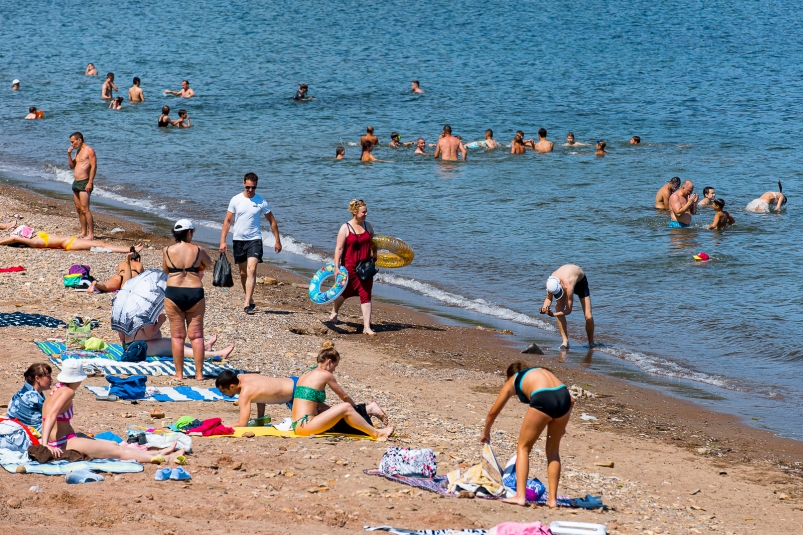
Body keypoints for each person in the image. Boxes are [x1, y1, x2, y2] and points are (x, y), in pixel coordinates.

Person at [40, 360, 185, 463]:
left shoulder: (57, 389)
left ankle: (157, 452)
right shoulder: (68, 392)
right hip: (62, 442)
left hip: (65, 438)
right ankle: (165, 458)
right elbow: (51, 415)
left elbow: (47, 415)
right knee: (118, 452)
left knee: (114, 446)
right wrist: (45, 444)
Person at [481, 362, 573, 508]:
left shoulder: (513, 380)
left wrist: (486, 431)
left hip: (544, 398)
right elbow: (572, 400)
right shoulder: (541, 371)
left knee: (523, 448)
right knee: (553, 452)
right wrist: (562, 426)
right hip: (564, 397)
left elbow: (493, 411)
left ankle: (520, 496)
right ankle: (553, 500)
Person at [290, 342, 393, 439]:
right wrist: (356, 410)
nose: (334, 370)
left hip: (298, 424)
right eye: (335, 366)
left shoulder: (307, 372)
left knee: (333, 409)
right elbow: (344, 397)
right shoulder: (325, 374)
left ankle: (368, 409)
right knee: (346, 407)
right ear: (330, 362)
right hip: (306, 425)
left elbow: (310, 402)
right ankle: (376, 432)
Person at [219, 173, 282, 315]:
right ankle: (250, 297)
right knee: (243, 273)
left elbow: (272, 221)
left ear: (256, 186)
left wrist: (277, 240)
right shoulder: (236, 200)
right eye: (248, 187)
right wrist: (222, 241)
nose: (250, 190)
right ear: (243, 184)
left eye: (253, 187)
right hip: (238, 240)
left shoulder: (261, 202)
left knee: (252, 269)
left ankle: (247, 303)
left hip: (255, 240)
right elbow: (227, 221)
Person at [163, 219, 212, 381]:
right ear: (189, 232)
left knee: (177, 336)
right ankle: (199, 374)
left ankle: (179, 374)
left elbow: (166, 270)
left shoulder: (167, 250)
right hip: (194, 292)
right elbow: (208, 264)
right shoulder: (198, 250)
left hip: (174, 292)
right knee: (197, 336)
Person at [328, 199, 377, 335]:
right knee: (345, 293)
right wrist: (337, 267)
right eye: (363, 212)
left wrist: (375, 254)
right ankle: (334, 312)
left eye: (366, 211)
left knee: (366, 294)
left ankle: (366, 327)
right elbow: (338, 249)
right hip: (349, 267)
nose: (366, 214)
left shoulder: (368, 226)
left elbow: (374, 243)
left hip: (365, 268)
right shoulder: (345, 228)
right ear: (355, 212)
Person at [120, 313, 234, 361]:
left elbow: (122, 336)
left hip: (130, 346)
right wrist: (160, 321)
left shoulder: (125, 312)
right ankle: (216, 354)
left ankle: (204, 346)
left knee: (170, 341)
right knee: (177, 347)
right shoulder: (142, 313)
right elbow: (150, 333)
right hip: (140, 348)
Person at [539, 264, 595, 350]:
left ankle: (591, 343)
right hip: (564, 281)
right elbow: (548, 299)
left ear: (560, 284)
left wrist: (554, 314)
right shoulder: (550, 282)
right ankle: (565, 342)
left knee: (588, 316)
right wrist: (544, 308)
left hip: (580, 282)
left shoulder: (568, 284)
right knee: (558, 307)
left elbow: (569, 310)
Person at [67, 132, 96, 239]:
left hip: (85, 182)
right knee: (79, 209)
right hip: (76, 183)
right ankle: (83, 232)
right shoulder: (78, 151)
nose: (72, 144)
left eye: (73, 142)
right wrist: (69, 154)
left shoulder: (89, 150)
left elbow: (94, 167)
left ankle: (91, 234)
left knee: (85, 209)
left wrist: (90, 182)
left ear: (79, 140)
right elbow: (72, 166)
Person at [7, 363, 52, 432]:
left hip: (13, 426)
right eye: (48, 376)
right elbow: (48, 417)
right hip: (24, 432)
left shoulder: (26, 390)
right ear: (37, 378)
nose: (51, 380)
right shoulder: (32, 397)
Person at [0, 233, 142, 253]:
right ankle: (129, 249)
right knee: (100, 244)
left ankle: (129, 248)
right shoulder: (34, 242)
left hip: (71, 240)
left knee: (100, 242)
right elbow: (13, 238)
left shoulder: (36, 239)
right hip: (70, 245)